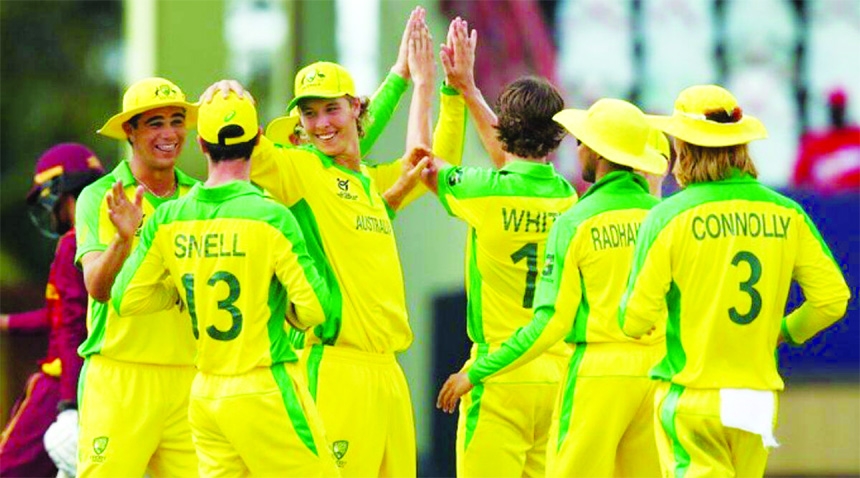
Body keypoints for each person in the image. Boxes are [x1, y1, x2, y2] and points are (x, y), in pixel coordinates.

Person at [201, 10, 459, 477]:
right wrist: (228, 97)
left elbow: (426, 165)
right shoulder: (300, 172)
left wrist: (426, 84)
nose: (319, 124)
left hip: (389, 373)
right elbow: (248, 138)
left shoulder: (368, 185)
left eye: (330, 109)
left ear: (355, 108)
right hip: (333, 368)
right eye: (308, 113)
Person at [108, 91, 345, 477]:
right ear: (257, 139)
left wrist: (181, 289)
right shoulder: (272, 217)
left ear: (201, 143)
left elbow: (125, 298)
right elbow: (316, 308)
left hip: (205, 394)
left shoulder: (169, 217)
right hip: (264, 385)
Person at [620, 85, 851, 477]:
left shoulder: (666, 217)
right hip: (756, 398)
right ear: (740, 145)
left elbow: (634, 321)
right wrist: (781, 332)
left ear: (685, 148)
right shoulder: (788, 212)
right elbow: (832, 300)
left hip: (693, 395)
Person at [436, 99, 668, 478]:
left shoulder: (574, 218)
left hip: (592, 372)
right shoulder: (660, 218)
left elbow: (551, 323)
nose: (577, 149)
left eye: (582, 142)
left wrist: (476, 372)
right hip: (655, 374)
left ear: (596, 151)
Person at [74, 77, 200, 477]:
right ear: (130, 131)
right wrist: (122, 242)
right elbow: (97, 287)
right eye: (154, 123)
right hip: (119, 376)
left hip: (190, 380)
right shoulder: (99, 196)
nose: (169, 134)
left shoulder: (200, 198)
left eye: (176, 121)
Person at [0, 144, 104, 478]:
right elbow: (57, 315)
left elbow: (71, 327)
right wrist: (7, 322)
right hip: (98, 384)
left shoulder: (73, 243)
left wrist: (68, 405)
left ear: (62, 193)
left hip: (61, 385)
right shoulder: (107, 240)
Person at [792, 88, 860, 192]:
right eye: (833, 108)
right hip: (823, 204)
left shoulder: (856, 138)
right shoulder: (814, 142)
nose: (836, 113)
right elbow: (799, 181)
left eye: (839, 108)